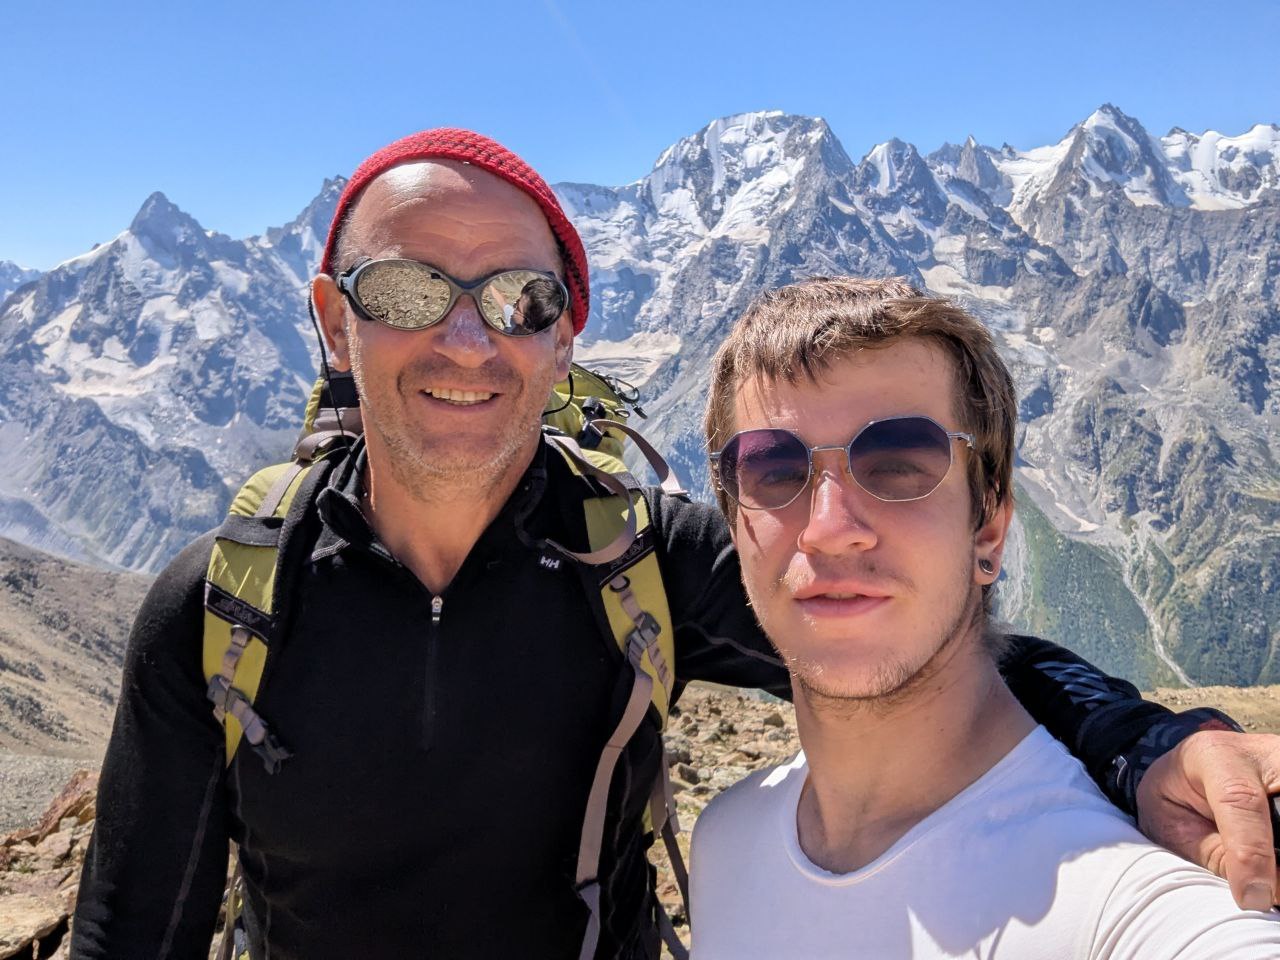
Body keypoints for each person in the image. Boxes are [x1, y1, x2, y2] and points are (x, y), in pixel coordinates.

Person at [70, 129, 1280, 960]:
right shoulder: (225, 604)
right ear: (335, 322)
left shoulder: (630, 559)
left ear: (565, 337)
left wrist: (1140, 739)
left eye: (519, 301)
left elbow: (907, 635)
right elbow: (133, 934)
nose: (467, 340)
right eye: (403, 292)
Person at [690, 276, 1280, 957]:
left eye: (899, 464)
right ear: (735, 526)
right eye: (773, 470)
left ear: (990, 531)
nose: (828, 528)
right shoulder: (724, 839)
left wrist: (1146, 744)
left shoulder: (1135, 906)